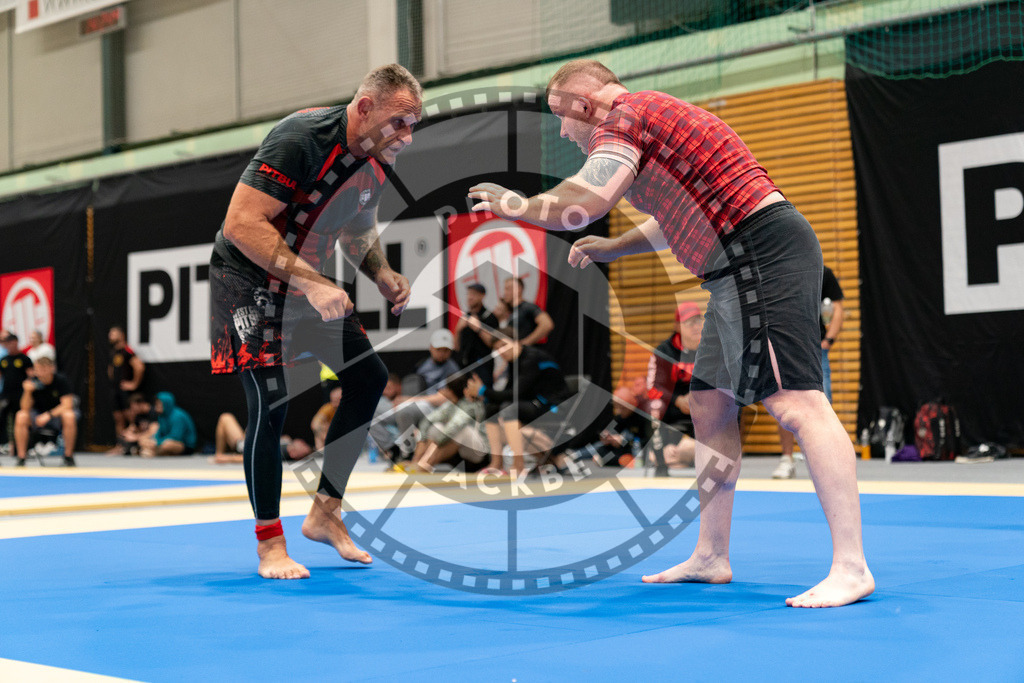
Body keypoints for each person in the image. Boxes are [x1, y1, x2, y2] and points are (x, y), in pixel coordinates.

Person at [468, 59, 872, 607]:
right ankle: (711, 555)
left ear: (586, 105)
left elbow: (585, 203)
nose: (563, 131)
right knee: (708, 404)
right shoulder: (653, 121)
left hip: (760, 256)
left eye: (563, 116)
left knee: (798, 404)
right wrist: (615, 247)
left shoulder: (628, 115)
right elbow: (674, 214)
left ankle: (851, 566)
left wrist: (516, 204)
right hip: (732, 271)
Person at [208, 63, 421, 579]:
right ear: (364, 108)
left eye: (414, 124)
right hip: (247, 280)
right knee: (271, 403)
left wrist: (382, 273)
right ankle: (269, 545)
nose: (408, 138)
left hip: (305, 282)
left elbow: (357, 229)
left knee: (368, 377)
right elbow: (241, 223)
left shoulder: (375, 156)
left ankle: (326, 513)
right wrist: (314, 282)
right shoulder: (300, 138)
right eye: (400, 122)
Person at [773, 265, 845, 479]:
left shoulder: (823, 272)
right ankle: (787, 459)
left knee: (824, 403)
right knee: (783, 404)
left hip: (815, 348)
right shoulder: (778, 269)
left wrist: (828, 340)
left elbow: (838, 308)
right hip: (784, 346)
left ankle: (827, 462)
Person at [481, 336, 572, 477]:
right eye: (497, 349)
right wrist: (484, 395)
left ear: (516, 342)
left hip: (553, 407)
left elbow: (515, 394)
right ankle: (496, 464)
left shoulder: (531, 358)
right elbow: (508, 392)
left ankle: (518, 465)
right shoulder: (513, 362)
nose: (501, 351)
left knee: (509, 409)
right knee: (492, 408)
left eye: (504, 345)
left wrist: (484, 391)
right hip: (534, 404)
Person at [646, 302, 704, 473]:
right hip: (673, 407)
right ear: (677, 326)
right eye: (689, 323)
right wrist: (678, 400)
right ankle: (661, 464)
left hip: (703, 404)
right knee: (654, 405)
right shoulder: (664, 351)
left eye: (698, 321)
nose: (695, 327)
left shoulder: (712, 348)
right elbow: (653, 388)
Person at [409, 373, 488, 473]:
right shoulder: (452, 404)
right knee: (436, 427)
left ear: (450, 391)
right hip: (461, 449)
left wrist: (433, 446)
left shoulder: (472, 405)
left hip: (480, 451)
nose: (442, 391)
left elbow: (453, 428)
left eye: (445, 388)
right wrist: (422, 439)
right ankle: (415, 462)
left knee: (460, 431)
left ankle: (426, 464)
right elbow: (428, 420)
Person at [13, 353, 77, 466]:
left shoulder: (61, 380)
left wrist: (48, 415)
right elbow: (25, 407)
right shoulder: (33, 381)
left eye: (44, 369)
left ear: (51, 368)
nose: (41, 373)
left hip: (56, 416)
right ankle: (21, 457)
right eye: (38, 369)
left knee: (70, 415)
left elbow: (67, 404)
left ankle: (68, 456)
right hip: (36, 415)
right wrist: (27, 392)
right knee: (21, 415)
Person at [211, 412, 312, 464]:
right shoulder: (287, 442)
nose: (302, 443)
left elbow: (254, 458)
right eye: (303, 444)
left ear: (293, 454)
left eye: (303, 446)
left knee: (225, 418)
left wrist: (228, 459)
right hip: (254, 441)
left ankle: (219, 453)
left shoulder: (281, 451)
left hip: (247, 445)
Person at [453, 283, 498, 387]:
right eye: (468, 294)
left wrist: (478, 329)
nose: (470, 297)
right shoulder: (465, 317)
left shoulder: (490, 317)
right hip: (465, 365)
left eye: (473, 294)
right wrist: (458, 330)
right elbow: (456, 347)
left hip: (483, 366)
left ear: (482, 296)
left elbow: (493, 344)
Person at [108, 326, 145, 437]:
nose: (110, 336)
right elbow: (111, 369)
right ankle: (121, 445)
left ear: (122, 335)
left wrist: (134, 384)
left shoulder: (128, 351)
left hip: (125, 391)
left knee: (131, 417)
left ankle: (135, 444)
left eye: (113, 333)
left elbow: (139, 367)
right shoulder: (113, 352)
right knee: (118, 418)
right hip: (115, 390)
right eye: (110, 333)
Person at [0, 332, 33, 454]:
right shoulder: (4, 360)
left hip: (20, 395)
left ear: (17, 343)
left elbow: (31, 376)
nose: (12, 346)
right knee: (3, 420)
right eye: (9, 344)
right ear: (7, 345)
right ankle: (5, 445)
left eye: (14, 343)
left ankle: (20, 448)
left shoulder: (24, 359)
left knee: (18, 419)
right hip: (6, 395)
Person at [139, 391, 197, 456]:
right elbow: (159, 432)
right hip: (163, 441)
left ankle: (154, 453)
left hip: (184, 445)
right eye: (156, 404)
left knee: (167, 444)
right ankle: (156, 452)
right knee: (143, 439)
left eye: (159, 404)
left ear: (166, 403)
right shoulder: (161, 416)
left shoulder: (178, 416)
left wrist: (157, 442)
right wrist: (154, 441)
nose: (157, 406)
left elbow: (175, 437)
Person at [311, 386, 343, 451]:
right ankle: (322, 451)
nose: (334, 404)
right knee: (320, 428)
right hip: (332, 434)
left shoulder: (349, 409)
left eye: (337, 400)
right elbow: (315, 423)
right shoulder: (328, 408)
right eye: (332, 401)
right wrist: (325, 434)